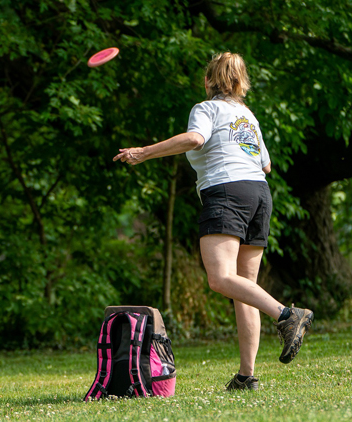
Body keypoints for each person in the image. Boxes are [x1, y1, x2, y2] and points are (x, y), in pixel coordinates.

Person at [113, 52, 313, 391]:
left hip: (227, 192)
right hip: (259, 194)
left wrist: (144, 152)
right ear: (240, 82)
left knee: (220, 278)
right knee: (243, 288)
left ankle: (287, 315)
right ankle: (246, 376)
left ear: (208, 81)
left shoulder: (205, 108)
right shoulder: (248, 116)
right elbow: (266, 165)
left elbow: (195, 139)